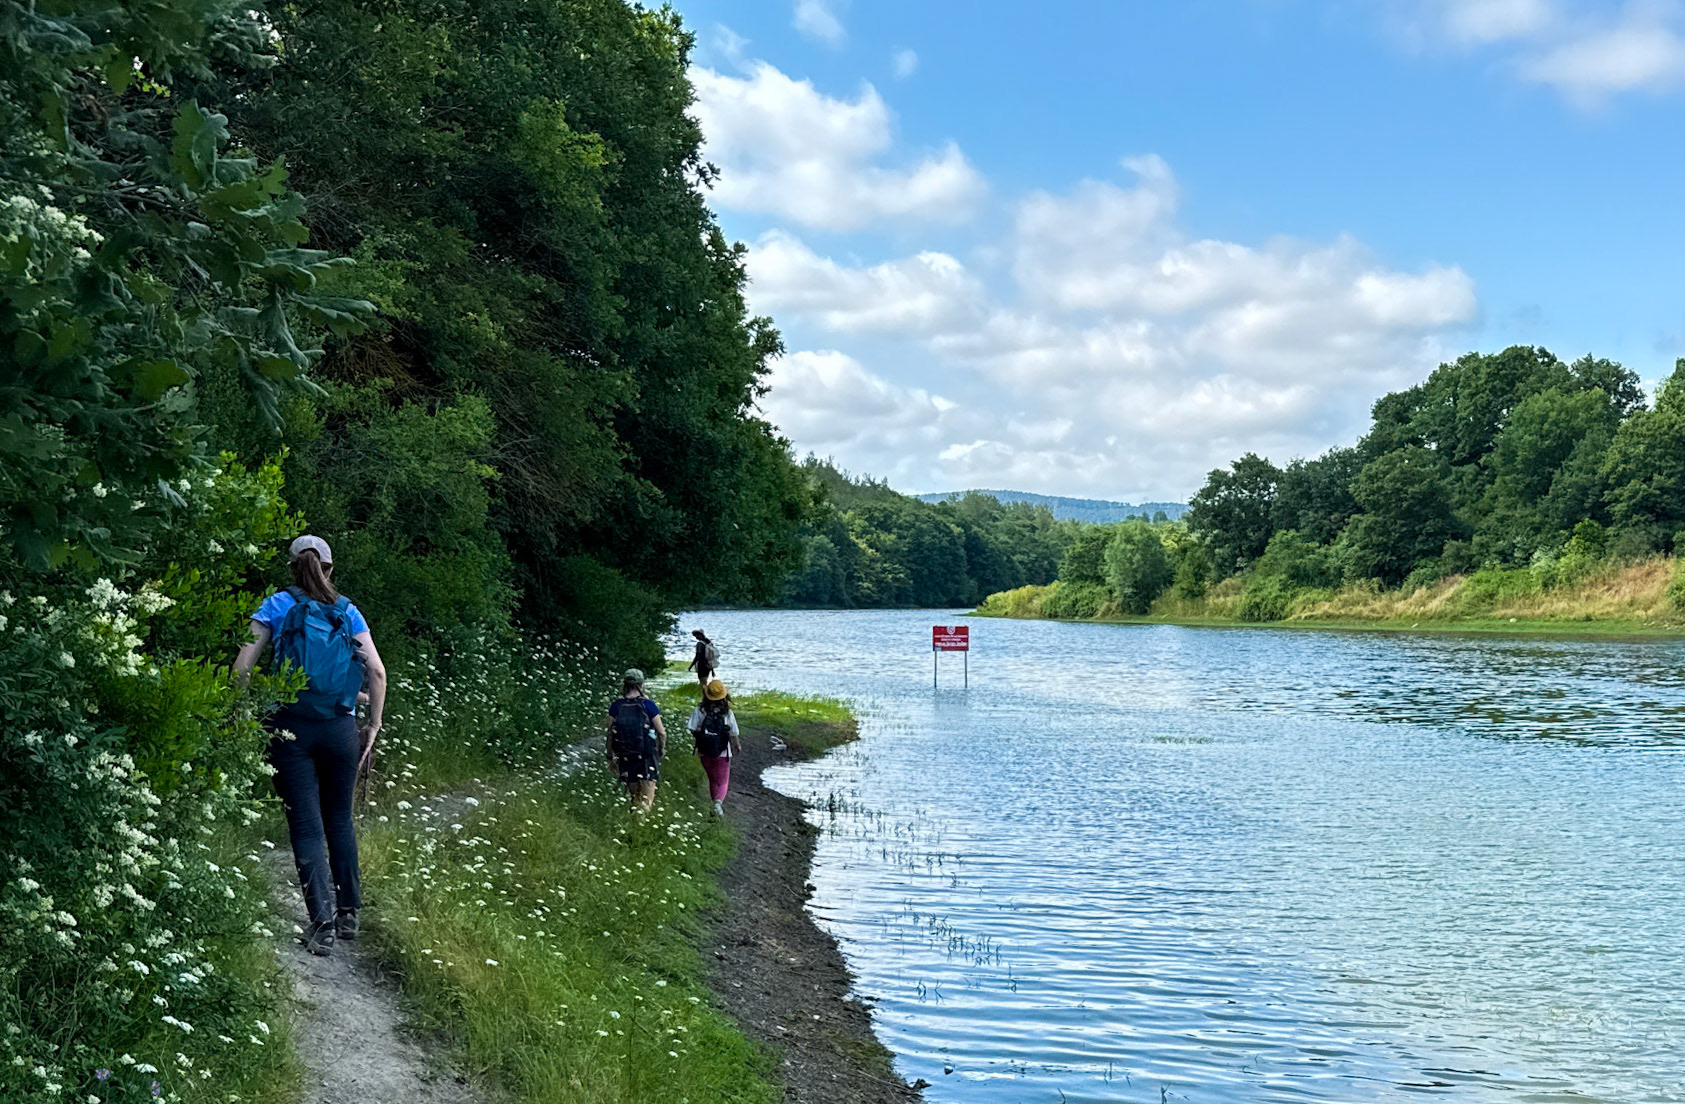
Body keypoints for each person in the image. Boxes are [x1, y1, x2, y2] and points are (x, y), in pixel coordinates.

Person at [234, 535, 387, 956]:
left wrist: (253, 711)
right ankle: (349, 913)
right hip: (339, 727)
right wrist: (371, 726)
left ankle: (321, 924)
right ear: (330, 569)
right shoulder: (347, 611)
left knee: (305, 824)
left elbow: (241, 668)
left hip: (290, 728)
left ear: (291, 567)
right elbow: (376, 672)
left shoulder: (276, 605)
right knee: (339, 818)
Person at [606, 668, 666, 813]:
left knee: (633, 796)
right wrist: (661, 749)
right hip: (646, 755)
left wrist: (610, 756)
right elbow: (661, 732)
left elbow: (609, 734)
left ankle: (633, 822)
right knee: (647, 796)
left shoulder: (616, 706)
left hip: (625, 754)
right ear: (641, 684)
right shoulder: (648, 705)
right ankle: (641, 826)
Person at [687, 680, 741, 817]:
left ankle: (715, 804)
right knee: (722, 780)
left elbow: (691, 728)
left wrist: (702, 738)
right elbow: (734, 733)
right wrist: (737, 746)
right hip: (723, 752)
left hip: (704, 751)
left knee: (713, 779)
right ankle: (717, 804)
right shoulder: (727, 713)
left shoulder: (699, 710)